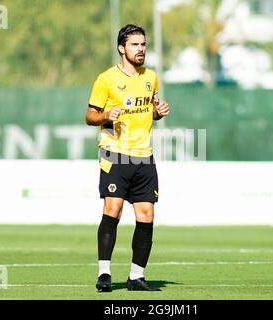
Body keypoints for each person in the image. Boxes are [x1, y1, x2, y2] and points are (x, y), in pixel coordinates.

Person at [85, 24, 170, 292]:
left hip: (144, 156)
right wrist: (105, 116)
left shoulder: (151, 77)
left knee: (146, 214)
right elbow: (90, 116)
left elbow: (150, 109)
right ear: (122, 48)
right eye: (135, 44)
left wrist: (158, 112)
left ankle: (136, 277)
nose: (141, 49)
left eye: (143, 44)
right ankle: (104, 274)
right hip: (115, 153)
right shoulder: (106, 79)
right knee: (113, 209)